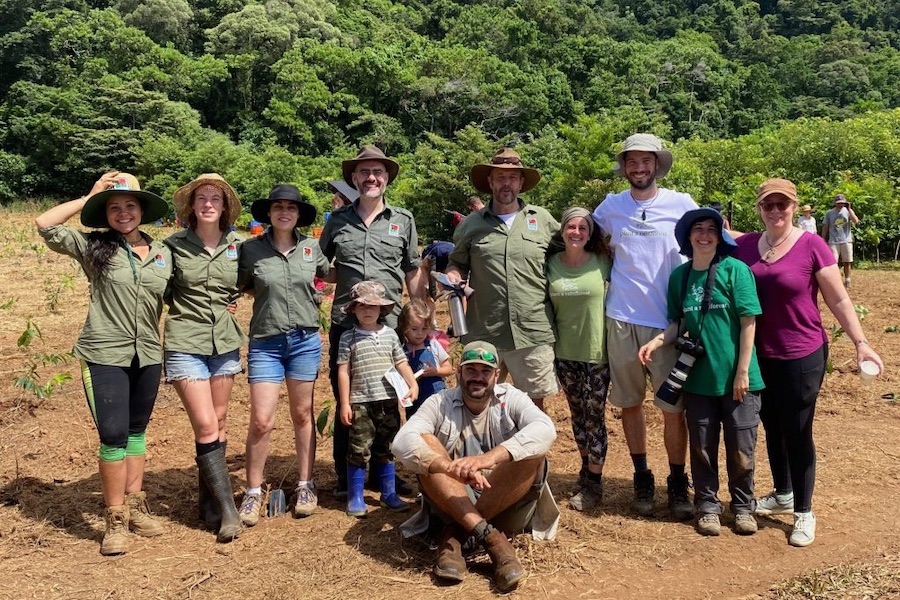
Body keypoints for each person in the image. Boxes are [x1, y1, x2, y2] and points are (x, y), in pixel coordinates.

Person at [733, 178, 883, 547]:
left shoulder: (812, 244)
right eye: (768, 205)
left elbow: (839, 299)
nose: (775, 211)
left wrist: (861, 343)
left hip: (802, 353)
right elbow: (712, 234)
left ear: (795, 207)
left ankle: (804, 511)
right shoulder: (747, 245)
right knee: (770, 424)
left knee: (798, 429)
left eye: (782, 205)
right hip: (758, 355)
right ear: (759, 209)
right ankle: (783, 493)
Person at [35, 172, 170, 555]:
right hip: (103, 355)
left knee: (136, 431)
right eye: (114, 206)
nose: (123, 212)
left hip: (147, 353)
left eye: (130, 205)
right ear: (105, 213)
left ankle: (135, 506)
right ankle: (115, 520)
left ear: (141, 210)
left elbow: (182, 295)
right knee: (113, 436)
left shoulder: (163, 253)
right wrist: (89, 194)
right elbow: (45, 224)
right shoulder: (95, 247)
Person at [392, 341, 558, 592]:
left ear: (496, 375)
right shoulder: (440, 402)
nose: (477, 378)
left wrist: (489, 458)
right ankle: (492, 539)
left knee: (533, 452)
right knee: (425, 445)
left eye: (485, 371)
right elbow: (402, 442)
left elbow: (546, 430)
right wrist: (447, 467)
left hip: (506, 501)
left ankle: (457, 534)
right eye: (471, 371)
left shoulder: (512, 397)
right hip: (456, 495)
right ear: (459, 372)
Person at [591, 133, 698, 519]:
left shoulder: (681, 204)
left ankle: (677, 481)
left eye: (645, 161)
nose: (638, 168)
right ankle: (641, 478)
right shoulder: (611, 207)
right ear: (624, 167)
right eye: (631, 162)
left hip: (667, 322)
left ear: (657, 165)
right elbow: (582, 238)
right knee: (630, 404)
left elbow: (709, 238)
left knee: (673, 407)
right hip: (620, 319)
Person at [639, 208, 764, 537]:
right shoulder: (679, 278)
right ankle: (707, 506)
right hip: (697, 379)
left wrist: (742, 371)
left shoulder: (736, 270)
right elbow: (677, 323)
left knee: (741, 447)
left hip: (739, 378)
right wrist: (656, 342)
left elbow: (749, 320)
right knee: (703, 446)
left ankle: (742, 507)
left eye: (711, 229)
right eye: (699, 229)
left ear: (720, 236)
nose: (705, 235)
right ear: (688, 235)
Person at [320, 145, 425, 498]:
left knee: (389, 400)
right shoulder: (337, 222)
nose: (371, 178)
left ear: (387, 178)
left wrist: (421, 309)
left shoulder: (403, 221)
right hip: (346, 324)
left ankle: (386, 475)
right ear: (353, 178)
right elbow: (324, 269)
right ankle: (346, 476)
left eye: (378, 172)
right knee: (348, 399)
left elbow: (411, 270)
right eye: (364, 172)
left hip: (389, 326)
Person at [237, 185, 329, 524]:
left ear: (298, 214)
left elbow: (327, 276)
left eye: (291, 207)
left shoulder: (311, 248)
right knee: (262, 419)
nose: (284, 212)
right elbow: (242, 284)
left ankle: (306, 484)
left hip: (304, 340)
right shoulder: (250, 250)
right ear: (269, 213)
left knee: (303, 414)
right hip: (266, 342)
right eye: (278, 206)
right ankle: (252, 491)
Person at [446, 148, 560, 410]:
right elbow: (458, 262)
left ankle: (532, 452)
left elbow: (567, 257)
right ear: (490, 181)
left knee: (533, 405)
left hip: (532, 330)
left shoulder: (542, 220)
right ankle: (485, 451)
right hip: (485, 330)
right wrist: (453, 275)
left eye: (512, 177)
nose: (506, 184)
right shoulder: (471, 224)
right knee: (478, 401)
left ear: (521, 182)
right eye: (500, 177)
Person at [164, 174, 243, 543]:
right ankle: (229, 513)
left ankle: (208, 503)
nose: (208, 203)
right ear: (192, 207)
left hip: (225, 341)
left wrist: (236, 299)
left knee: (220, 422)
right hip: (185, 341)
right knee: (207, 425)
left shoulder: (238, 246)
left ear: (225, 206)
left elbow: (247, 281)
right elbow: (157, 288)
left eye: (215, 198)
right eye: (202, 198)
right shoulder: (173, 246)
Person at [546, 207, 611, 511]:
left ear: (590, 233)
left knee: (594, 416)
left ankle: (594, 485)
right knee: (577, 416)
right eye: (571, 227)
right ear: (562, 231)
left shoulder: (603, 262)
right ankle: (586, 470)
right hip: (565, 353)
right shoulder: (551, 265)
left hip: (597, 352)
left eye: (583, 228)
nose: (576, 232)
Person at [337, 280, 418, 517]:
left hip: (389, 401)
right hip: (361, 402)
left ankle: (389, 493)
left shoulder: (390, 335)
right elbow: (343, 370)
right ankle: (356, 497)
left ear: (382, 309)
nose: (367, 310)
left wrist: (412, 383)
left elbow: (401, 363)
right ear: (353, 309)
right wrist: (345, 403)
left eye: (373, 306)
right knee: (358, 449)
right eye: (362, 306)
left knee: (388, 447)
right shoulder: (348, 338)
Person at [398, 299, 453, 417]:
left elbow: (449, 368)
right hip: (416, 401)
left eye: (424, 329)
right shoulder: (401, 351)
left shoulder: (433, 345)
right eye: (414, 329)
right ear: (404, 328)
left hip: (437, 397)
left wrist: (436, 371)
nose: (420, 333)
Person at [821, 194, 859, 288]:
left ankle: (847, 279)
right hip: (833, 240)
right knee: (833, 262)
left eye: (842, 203)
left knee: (847, 261)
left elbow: (856, 221)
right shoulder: (830, 213)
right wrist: (822, 238)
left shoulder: (848, 211)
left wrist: (849, 209)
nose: (840, 205)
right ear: (835, 203)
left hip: (846, 240)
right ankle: (836, 281)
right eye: (838, 203)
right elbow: (825, 226)